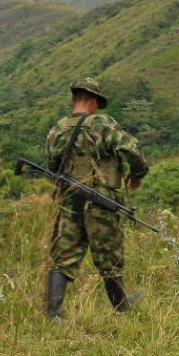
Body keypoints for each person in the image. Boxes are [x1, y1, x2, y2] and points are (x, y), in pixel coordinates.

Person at [44, 77, 149, 319]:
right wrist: (137, 173)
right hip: (100, 201)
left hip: (69, 201)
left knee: (63, 255)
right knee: (109, 254)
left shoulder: (57, 129)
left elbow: (53, 168)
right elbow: (131, 149)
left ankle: (54, 313)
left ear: (73, 100)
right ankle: (121, 307)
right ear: (93, 101)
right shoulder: (103, 124)